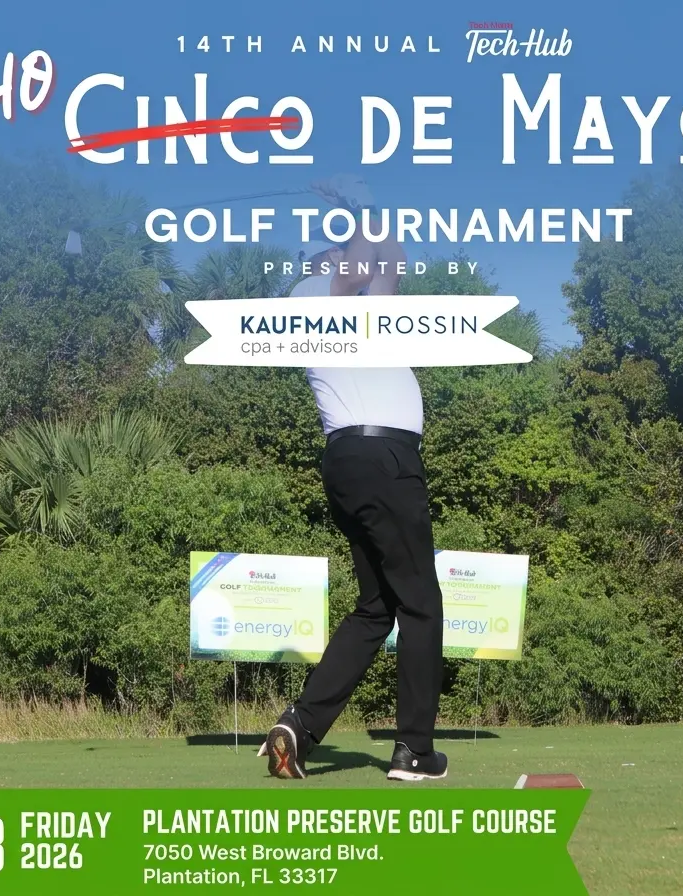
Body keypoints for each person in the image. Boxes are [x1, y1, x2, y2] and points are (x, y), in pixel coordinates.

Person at [259, 176, 448, 782]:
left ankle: (301, 724)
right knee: (421, 603)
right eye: (338, 249)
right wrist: (360, 205)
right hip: (384, 458)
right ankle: (414, 750)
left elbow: (391, 258)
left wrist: (364, 214)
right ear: (323, 259)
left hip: (353, 463)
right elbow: (366, 259)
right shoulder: (314, 294)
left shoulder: (361, 306)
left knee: (377, 608)